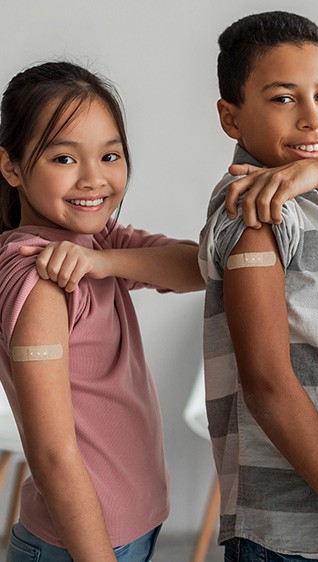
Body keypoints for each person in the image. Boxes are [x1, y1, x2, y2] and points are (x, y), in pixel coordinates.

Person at [0, 60, 204, 562]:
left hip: (129, 529)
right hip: (83, 546)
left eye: (110, 155)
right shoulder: (43, 277)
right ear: (11, 167)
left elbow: (199, 267)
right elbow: (52, 457)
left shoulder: (95, 245)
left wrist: (103, 260)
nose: (94, 178)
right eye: (65, 158)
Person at [198, 11, 318, 562]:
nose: (311, 118)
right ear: (231, 117)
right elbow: (269, 387)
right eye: (283, 99)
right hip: (293, 533)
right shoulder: (255, 210)